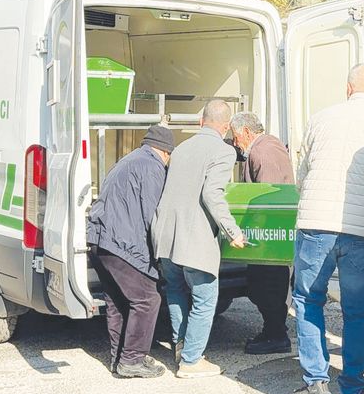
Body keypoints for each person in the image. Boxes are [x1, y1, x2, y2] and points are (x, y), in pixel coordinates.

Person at [292, 64, 364, 394]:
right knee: (359, 310)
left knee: (308, 299)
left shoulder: (319, 119)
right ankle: (352, 384)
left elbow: (301, 176)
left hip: (316, 223)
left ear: (348, 88)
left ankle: (316, 381)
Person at [152, 100, 246, 379]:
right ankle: (191, 361)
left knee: (176, 290)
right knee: (205, 298)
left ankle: (182, 347)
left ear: (201, 121)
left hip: (166, 236)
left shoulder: (181, 148)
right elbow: (212, 194)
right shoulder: (223, 151)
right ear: (226, 126)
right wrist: (233, 231)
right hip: (193, 239)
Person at [86, 126, 175, 378]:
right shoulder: (152, 167)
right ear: (166, 152)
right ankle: (132, 360)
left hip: (99, 241)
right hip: (122, 244)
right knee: (148, 299)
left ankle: (119, 358)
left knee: (117, 301)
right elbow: (153, 216)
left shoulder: (128, 160)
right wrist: (161, 256)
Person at [229, 112, 294, 355]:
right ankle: (273, 331)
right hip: (274, 235)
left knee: (267, 286)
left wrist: (257, 233)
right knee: (267, 285)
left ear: (246, 132)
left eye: (236, 137)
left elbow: (267, 196)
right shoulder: (270, 145)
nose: (236, 143)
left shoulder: (261, 152)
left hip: (268, 238)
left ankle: (276, 336)